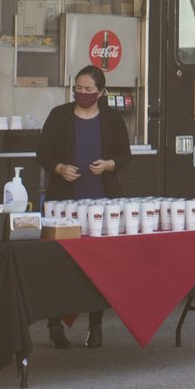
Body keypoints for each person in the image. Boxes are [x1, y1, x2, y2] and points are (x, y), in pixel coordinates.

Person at [36, 64, 129, 348]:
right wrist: (59, 168)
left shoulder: (112, 119)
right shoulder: (59, 116)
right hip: (64, 202)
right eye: (78, 88)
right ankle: (55, 324)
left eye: (88, 89)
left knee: (98, 268)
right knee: (59, 266)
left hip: (101, 202)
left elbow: (125, 155)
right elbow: (42, 152)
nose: (82, 93)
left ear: (100, 92)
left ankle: (95, 324)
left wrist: (109, 164)